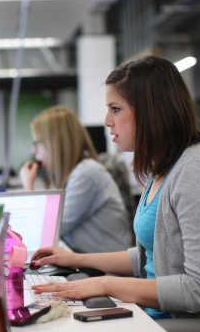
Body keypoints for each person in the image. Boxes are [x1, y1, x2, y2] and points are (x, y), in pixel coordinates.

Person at [32, 56, 200, 327]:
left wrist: (107, 284)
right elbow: (150, 255)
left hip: (190, 330)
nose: (107, 121)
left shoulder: (198, 172)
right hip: (156, 315)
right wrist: (76, 259)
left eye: (115, 109)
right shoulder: (162, 169)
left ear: (150, 112)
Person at [20, 106, 130, 254]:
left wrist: (28, 187)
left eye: (37, 143)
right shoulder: (69, 175)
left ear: (54, 143)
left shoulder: (86, 174)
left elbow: (49, 231)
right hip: (87, 264)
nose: (34, 151)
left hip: (106, 271)